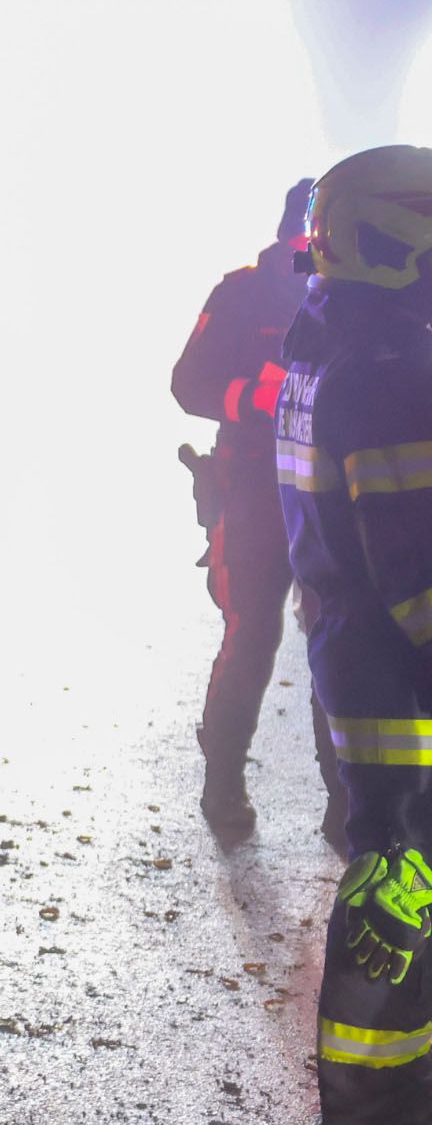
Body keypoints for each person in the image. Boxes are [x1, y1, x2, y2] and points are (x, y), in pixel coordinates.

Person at [275, 144, 432, 1125]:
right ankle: (378, 1102)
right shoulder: (387, 370)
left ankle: (377, 1089)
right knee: (398, 876)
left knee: (390, 866)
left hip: (351, 654)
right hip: (398, 669)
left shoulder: (324, 341)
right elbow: (413, 562)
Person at [173, 177, 345, 848]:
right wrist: (259, 397)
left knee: (339, 642)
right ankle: (222, 784)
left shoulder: (357, 295)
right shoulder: (241, 293)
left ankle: (347, 806)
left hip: (333, 493)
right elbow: (188, 382)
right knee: (251, 637)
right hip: (252, 489)